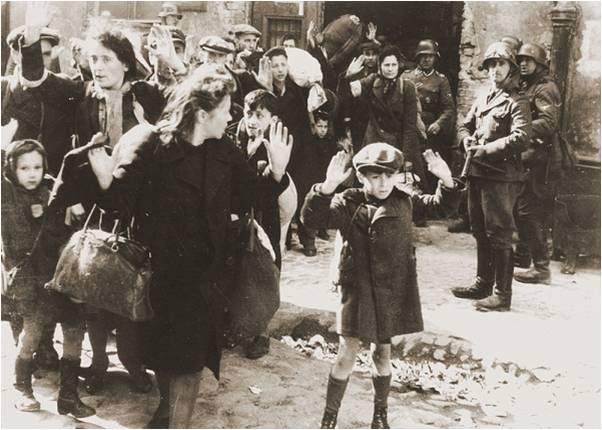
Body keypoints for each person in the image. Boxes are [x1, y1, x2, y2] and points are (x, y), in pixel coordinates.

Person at [85, 64, 293, 428]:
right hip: (158, 275)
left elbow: (249, 197)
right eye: (227, 109)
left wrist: (275, 172)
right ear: (202, 113)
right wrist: (105, 181)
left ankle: (176, 421)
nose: (231, 117)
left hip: (206, 276)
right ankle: (167, 409)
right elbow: (120, 204)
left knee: (190, 361)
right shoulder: (153, 146)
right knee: (167, 356)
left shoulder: (224, 150)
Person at [19, 2, 180, 394]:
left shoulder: (146, 95)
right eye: (93, 59)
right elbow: (37, 83)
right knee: (92, 286)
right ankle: (97, 361)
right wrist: (31, 38)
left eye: (106, 59)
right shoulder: (83, 95)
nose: (99, 66)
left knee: (134, 285)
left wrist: (170, 64)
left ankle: (134, 362)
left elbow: (180, 111)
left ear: (125, 62)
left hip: (140, 207)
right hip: (93, 208)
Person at [301, 143, 459, 429]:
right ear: (362, 177)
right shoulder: (347, 201)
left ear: (398, 175)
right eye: (375, 176)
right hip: (356, 289)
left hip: (389, 290)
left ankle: (380, 417)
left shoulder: (405, 200)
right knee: (346, 354)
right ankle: (329, 419)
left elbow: (442, 207)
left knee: (381, 353)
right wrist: (326, 188)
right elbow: (312, 219)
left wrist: (446, 181)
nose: (383, 182)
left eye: (389, 175)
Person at [2, 140, 95, 417]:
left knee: (75, 329)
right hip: (30, 277)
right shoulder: (6, 195)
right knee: (32, 332)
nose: (32, 173)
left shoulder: (52, 191)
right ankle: (22, 388)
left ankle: (68, 395)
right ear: (11, 169)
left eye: (37, 167)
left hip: (60, 272)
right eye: (24, 168)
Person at [450, 42, 531, 312]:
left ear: (511, 69)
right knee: (479, 229)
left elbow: (521, 138)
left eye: (501, 64)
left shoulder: (517, 101)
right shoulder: (484, 97)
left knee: (499, 233)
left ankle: (502, 294)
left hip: (501, 177)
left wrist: (486, 148)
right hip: (477, 174)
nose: (495, 70)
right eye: (491, 65)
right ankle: (483, 283)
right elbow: (464, 124)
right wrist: (466, 141)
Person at [235, 89, 297, 358]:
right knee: (239, 268)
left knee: (266, 269)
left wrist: (274, 171)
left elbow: (277, 189)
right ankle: (237, 326)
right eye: (249, 113)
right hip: (240, 217)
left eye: (260, 115)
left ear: (272, 118)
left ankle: (261, 333)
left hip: (266, 216)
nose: (252, 120)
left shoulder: (274, 145)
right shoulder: (236, 141)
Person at [256, 47, 314, 255]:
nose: (280, 70)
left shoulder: (295, 91)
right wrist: (267, 90)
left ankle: (308, 239)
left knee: (302, 190)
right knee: (278, 194)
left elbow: (303, 123)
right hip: (274, 151)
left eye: (283, 64)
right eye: (275, 65)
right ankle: (285, 238)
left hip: (296, 149)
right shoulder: (262, 91)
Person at [341, 45, 426, 189]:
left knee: (403, 185)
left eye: (394, 65)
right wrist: (348, 77)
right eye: (387, 65)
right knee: (372, 183)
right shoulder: (373, 80)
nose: (390, 69)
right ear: (380, 66)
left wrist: (406, 157)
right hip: (375, 140)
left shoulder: (407, 87)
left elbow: (409, 126)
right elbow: (349, 93)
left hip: (398, 142)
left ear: (398, 66)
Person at [513, 42, 561, 284]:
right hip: (531, 157)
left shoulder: (544, 89)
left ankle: (541, 269)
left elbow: (549, 123)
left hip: (542, 159)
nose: (523, 64)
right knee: (522, 208)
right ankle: (523, 257)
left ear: (539, 64)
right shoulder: (529, 85)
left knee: (529, 211)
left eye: (528, 61)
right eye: (520, 60)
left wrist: (520, 129)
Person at [402, 39, 455, 171]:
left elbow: (449, 108)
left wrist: (439, 123)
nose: (426, 59)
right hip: (409, 128)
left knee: (429, 167)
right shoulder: (406, 76)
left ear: (435, 58)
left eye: (430, 56)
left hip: (430, 131)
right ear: (418, 57)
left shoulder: (441, 80)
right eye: (423, 56)